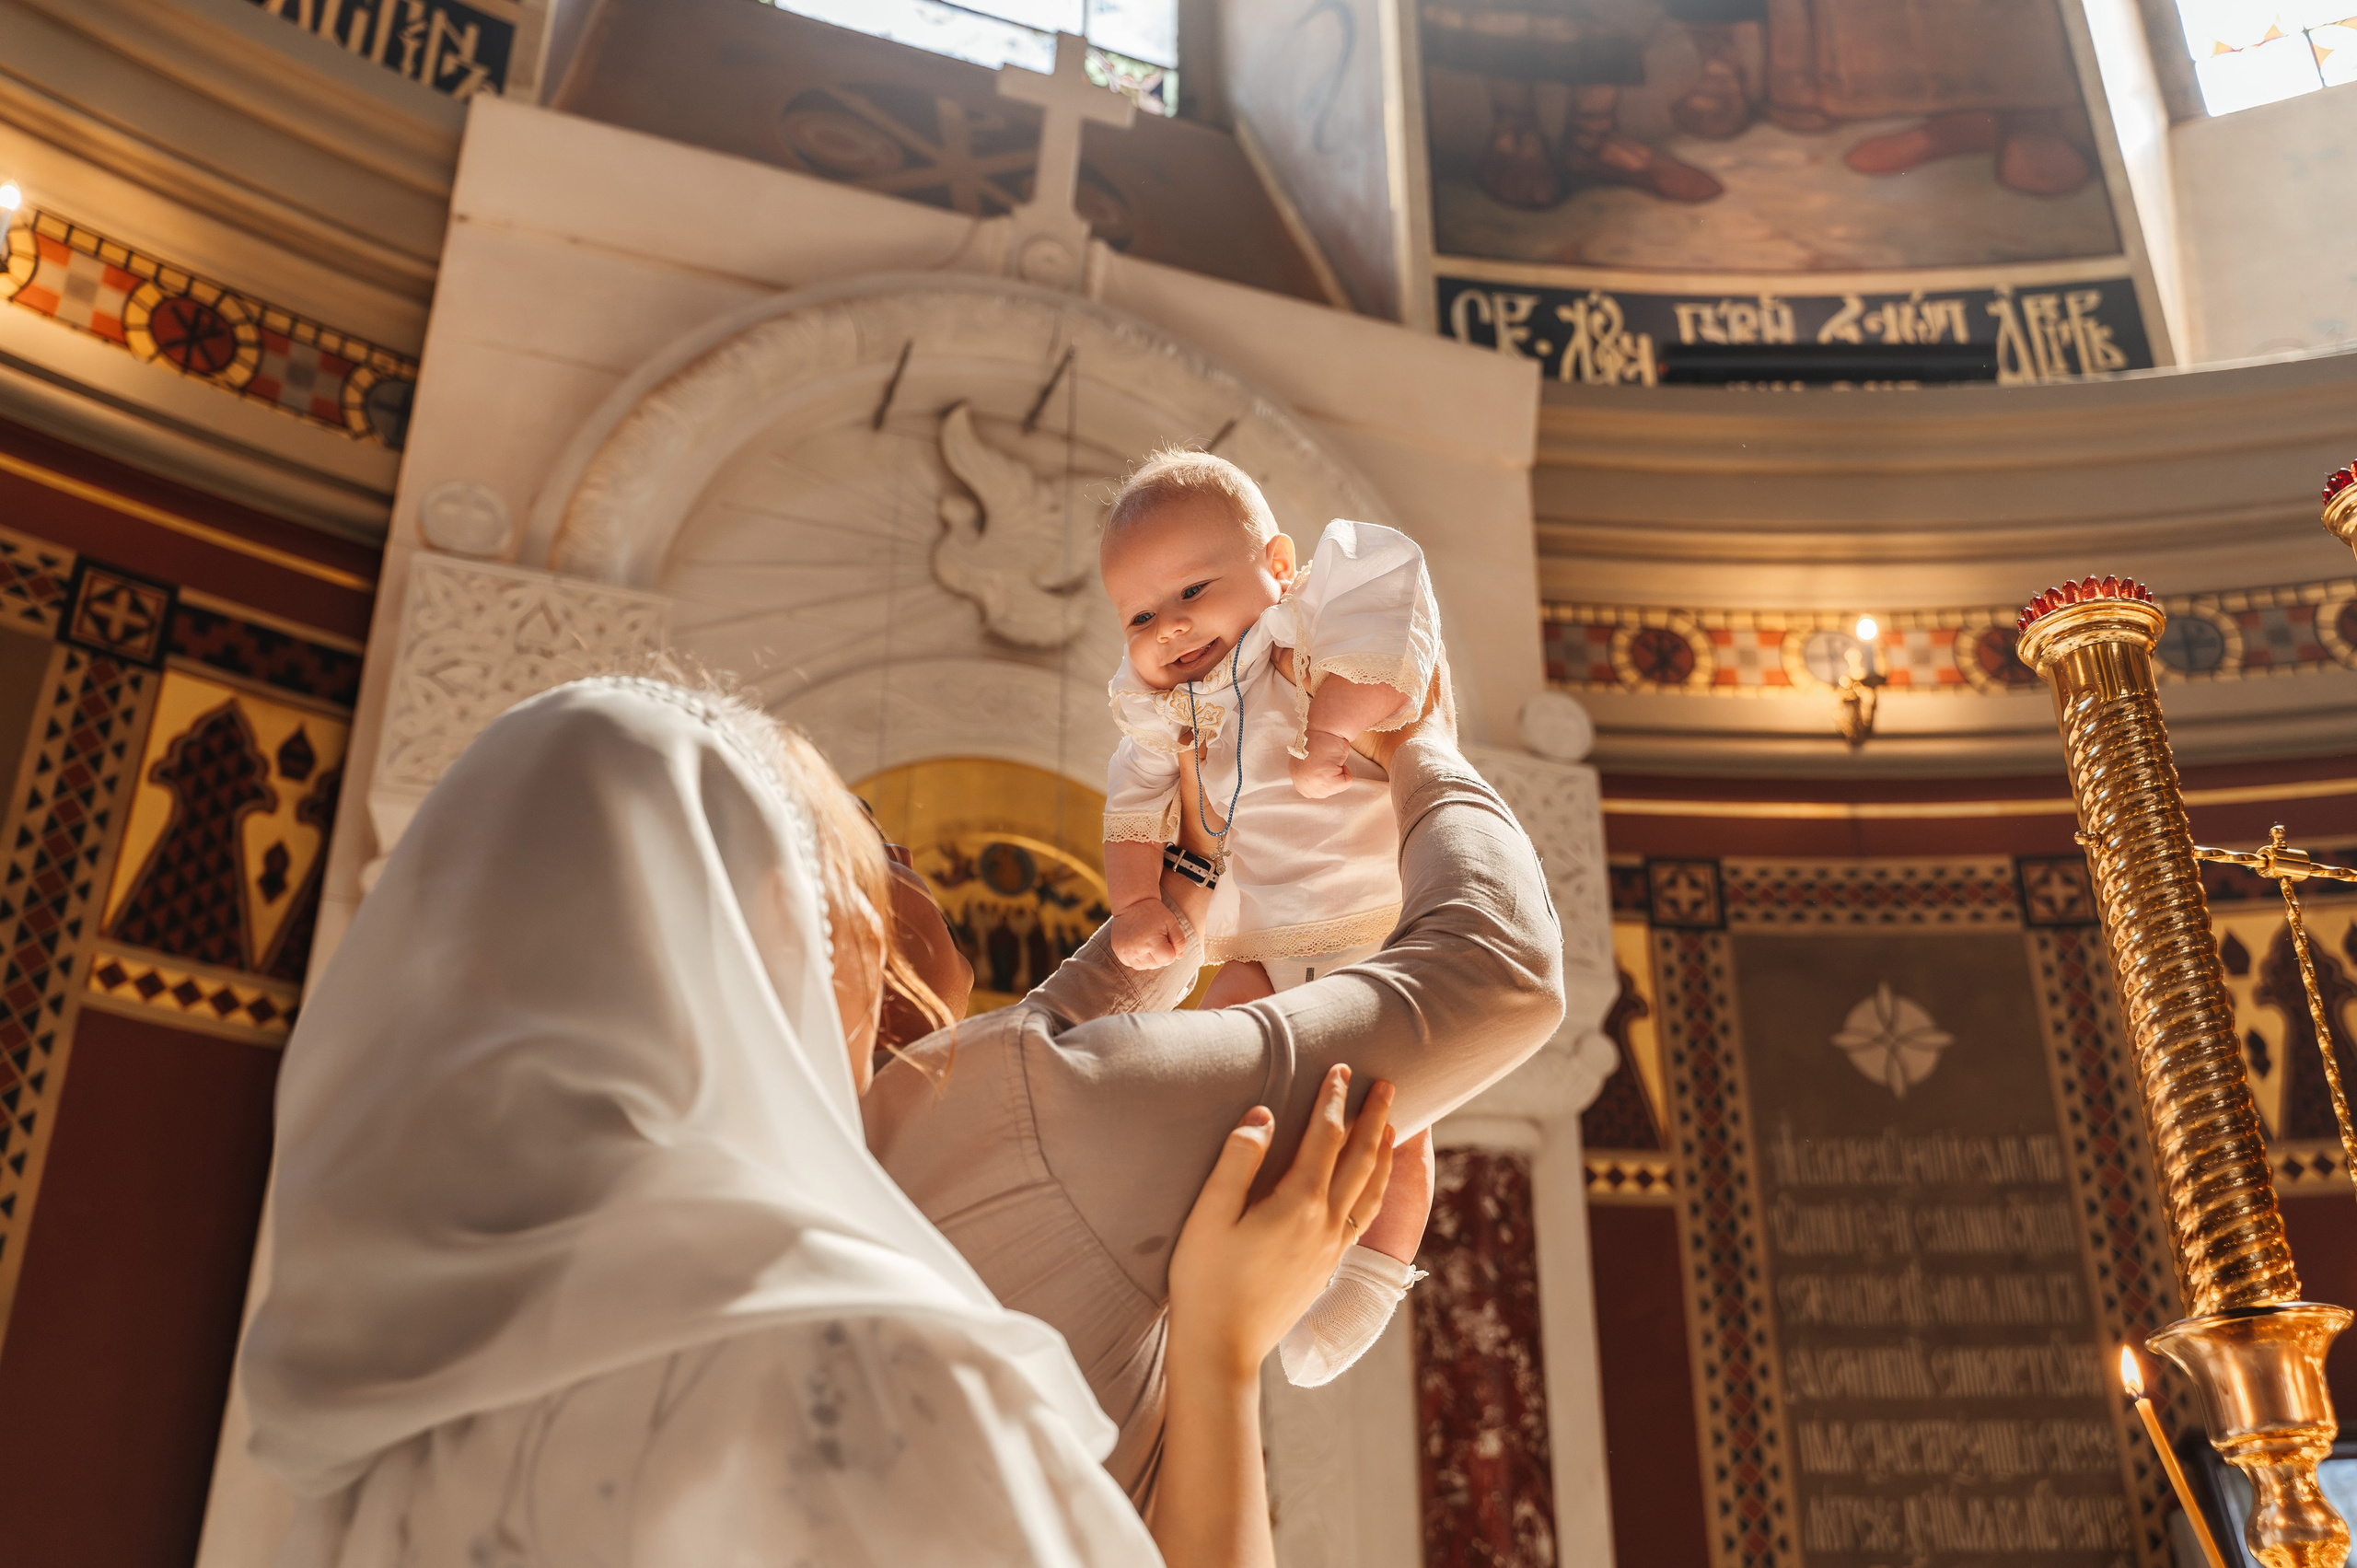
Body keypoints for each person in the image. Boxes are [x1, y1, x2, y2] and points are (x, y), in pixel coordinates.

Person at [238, 676, 1397, 1567]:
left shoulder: (387, 1458)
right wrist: (1221, 1350)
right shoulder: (859, 1366)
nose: (883, 961)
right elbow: (1493, 976)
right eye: (859, 889)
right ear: (757, 945)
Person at [867, 645, 1568, 1500]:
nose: (898, 843)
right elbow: (1503, 970)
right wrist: (1421, 747)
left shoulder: (875, 1125)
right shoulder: (1006, 1097)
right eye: (864, 838)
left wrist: (1197, 870)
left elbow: (1060, 1019)